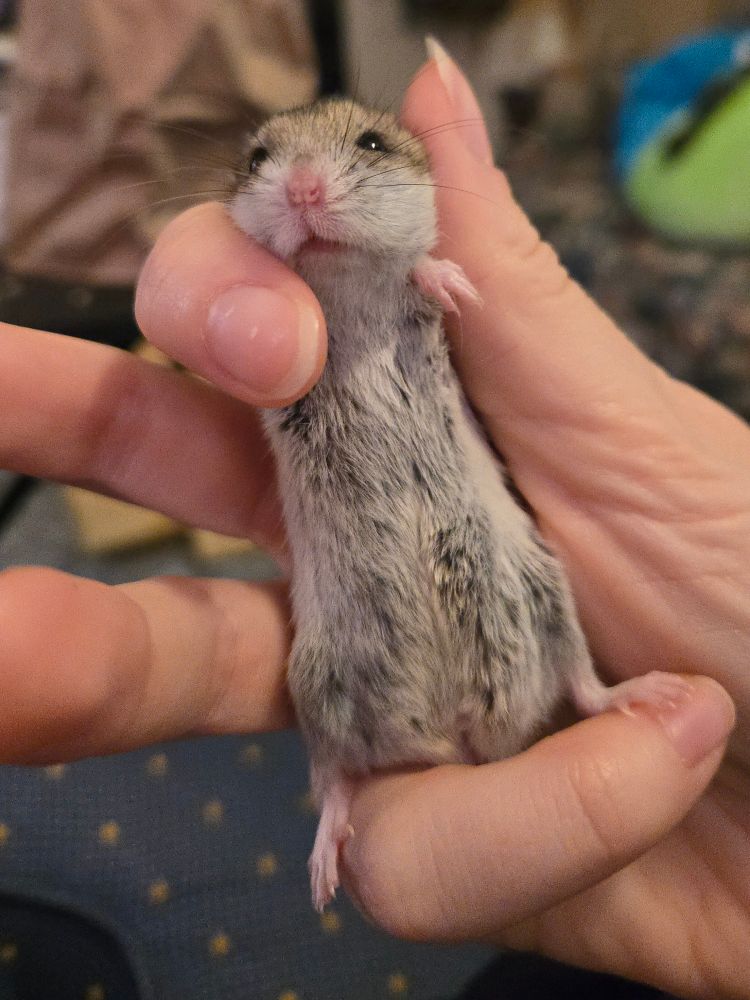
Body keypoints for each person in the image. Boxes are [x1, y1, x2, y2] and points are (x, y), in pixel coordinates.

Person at [0, 47, 746, 1000]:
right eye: (269, 161)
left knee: (542, 581)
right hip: (356, 593)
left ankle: (591, 690)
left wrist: (427, 280)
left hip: (501, 582)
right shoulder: (278, 328)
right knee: (319, 671)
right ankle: (338, 787)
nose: (307, 185)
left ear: (418, 181)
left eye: (357, 148)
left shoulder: (429, 282)